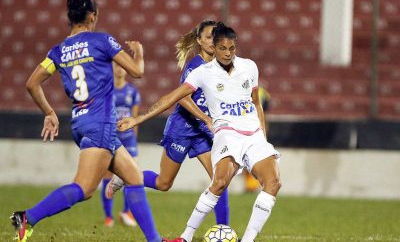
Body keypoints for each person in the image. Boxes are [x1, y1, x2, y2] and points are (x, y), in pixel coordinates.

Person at [10, 0, 172, 242]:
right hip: (101, 124)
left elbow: (32, 84)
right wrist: (139, 53)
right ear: (92, 16)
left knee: (134, 177)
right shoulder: (102, 41)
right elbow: (137, 72)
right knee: (84, 189)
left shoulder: (59, 51)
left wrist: (49, 112)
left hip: (81, 123)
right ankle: (27, 217)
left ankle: (155, 240)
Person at [117, 22, 281, 242]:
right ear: (211, 45)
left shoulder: (249, 67)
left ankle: (240, 237)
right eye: (221, 47)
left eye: (231, 48)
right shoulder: (201, 71)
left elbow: (255, 102)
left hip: (247, 135)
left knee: (273, 183)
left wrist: (262, 136)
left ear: (235, 46)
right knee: (172, 183)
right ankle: (183, 233)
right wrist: (138, 118)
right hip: (199, 131)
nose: (226, 52)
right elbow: (172, 98)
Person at [106, 20, 230, 225]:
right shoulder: (195, 66)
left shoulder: (220, 68)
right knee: (164, 183)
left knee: (220, 181)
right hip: (181, 129)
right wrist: (206, 118)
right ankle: (127, 176)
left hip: (202, 132)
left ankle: (224, 230)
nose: (212, 41)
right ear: (199, 40)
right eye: (208, 37)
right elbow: (181, 98)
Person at [101, 62, 141, 227]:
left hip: (128, 139)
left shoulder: (132, 92)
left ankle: (126, 212)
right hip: (111, 138)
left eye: (122, 66)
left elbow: (135, 118)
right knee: (107, 176)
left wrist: (134, 138)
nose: (119, 69)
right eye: (116, 66)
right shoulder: (106, 90)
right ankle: (108, 217)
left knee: (130, 176)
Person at [243, 85, 271, 193]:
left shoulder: (262, 93)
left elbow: (264, 115)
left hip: (253, 129)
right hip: (250, 128)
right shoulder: (264, 93)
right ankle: (251, 185)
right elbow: (266, 116)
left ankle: (254, 184)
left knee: (253, 159)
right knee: (247, 159)